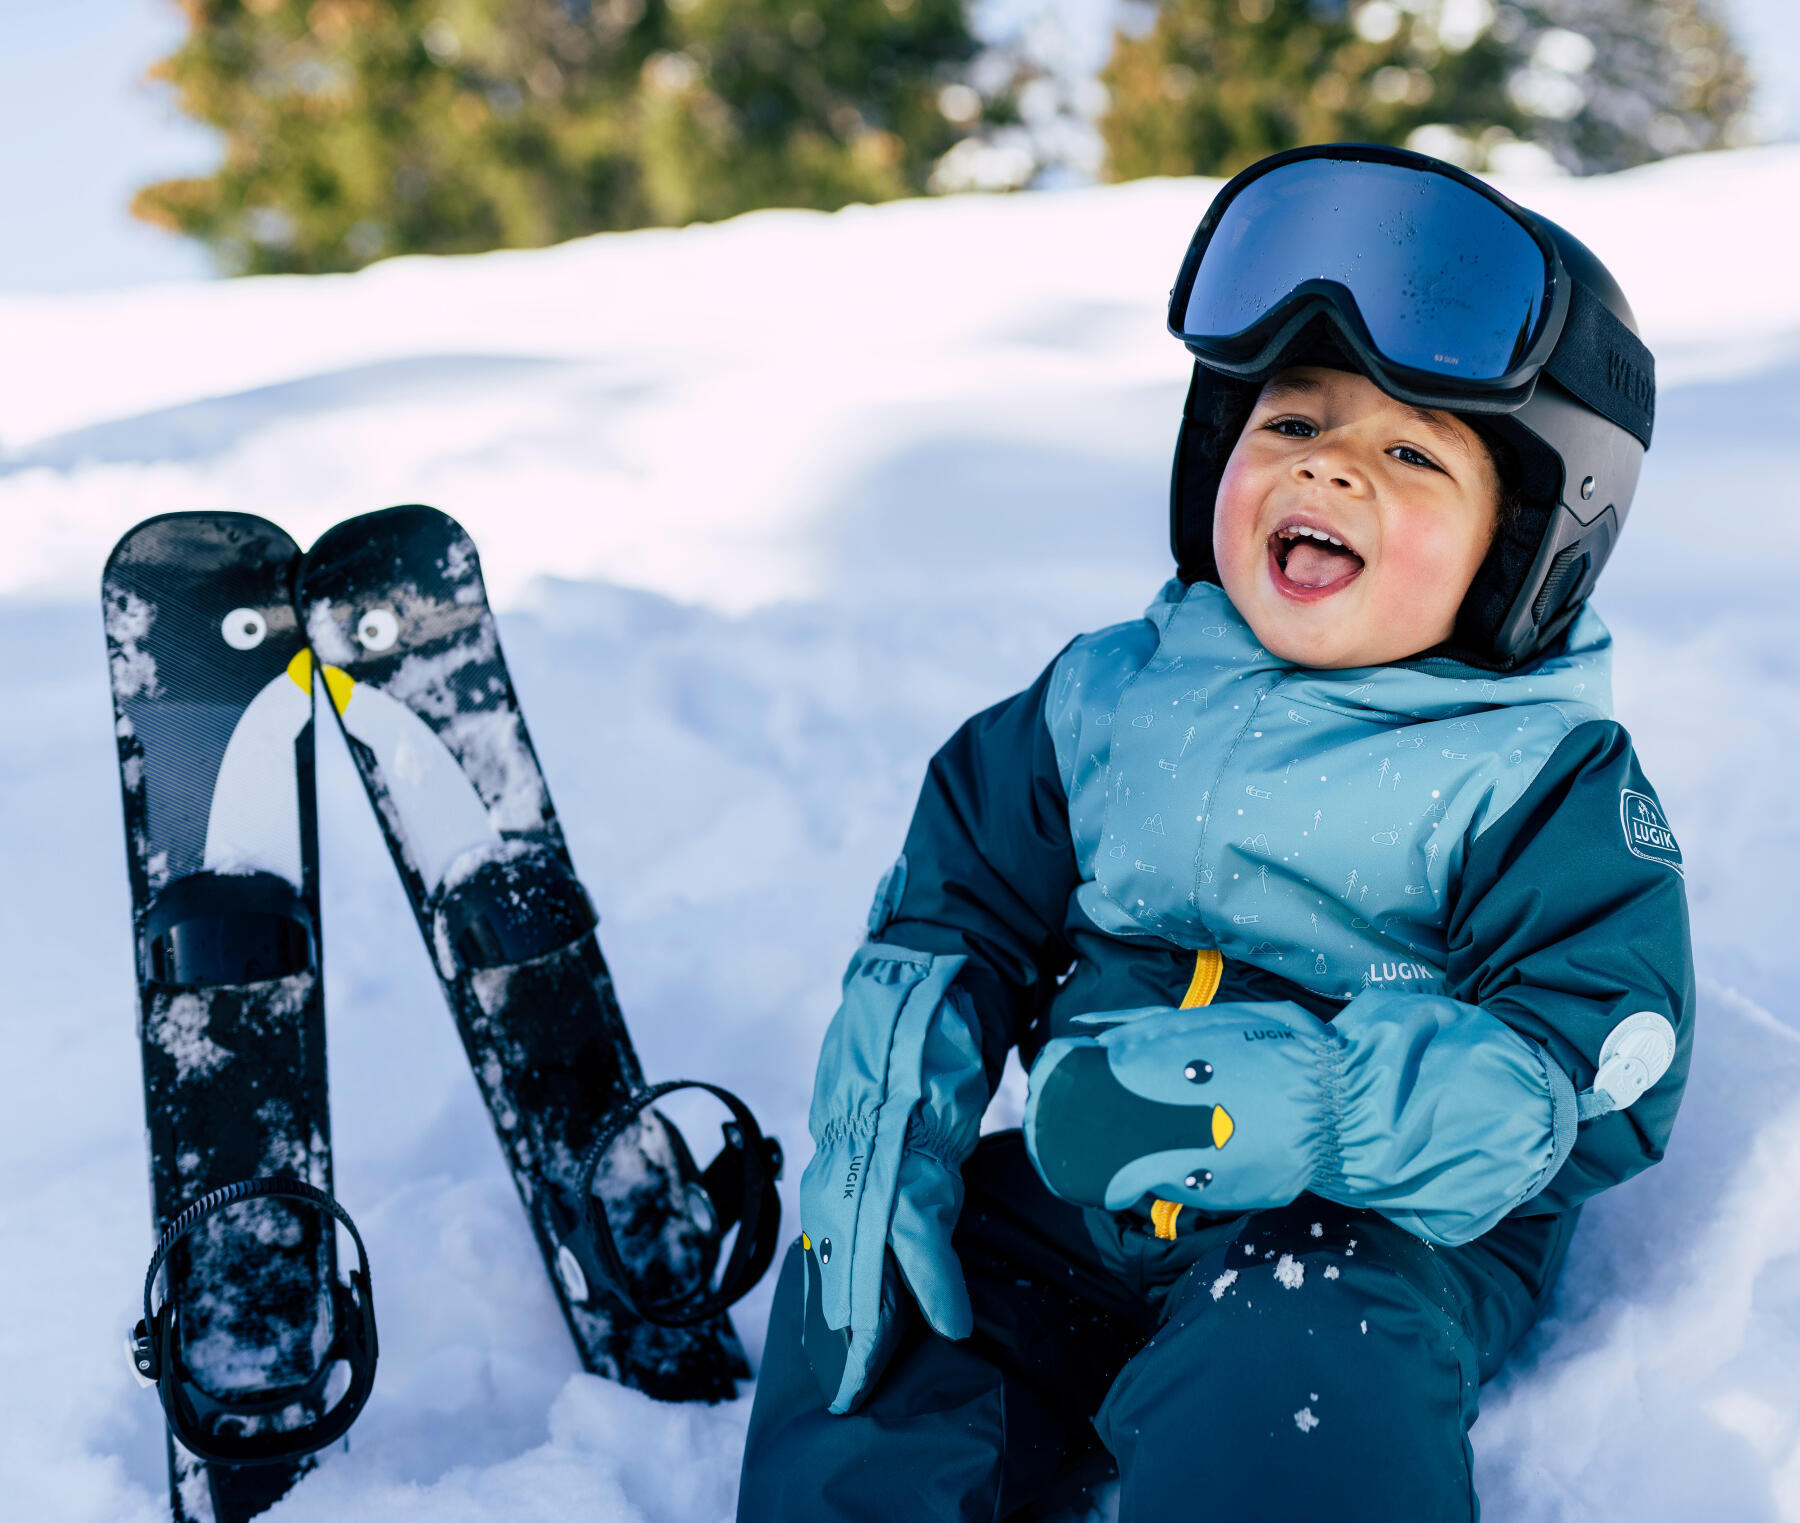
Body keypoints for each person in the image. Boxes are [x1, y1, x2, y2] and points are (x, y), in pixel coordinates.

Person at [735, 144, 1693, 1522]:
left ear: (1527, 543)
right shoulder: (1109, 696)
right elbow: (967, 894)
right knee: (888, 1305)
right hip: (1085, 1201)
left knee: (1298, 1353)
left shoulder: (1538, 773)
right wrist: (904, 1091)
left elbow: (1596, 1053)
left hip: (1368, 1231)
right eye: (1292, 425)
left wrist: (1319, 1107)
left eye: (1412, 450)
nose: (1334, 470)